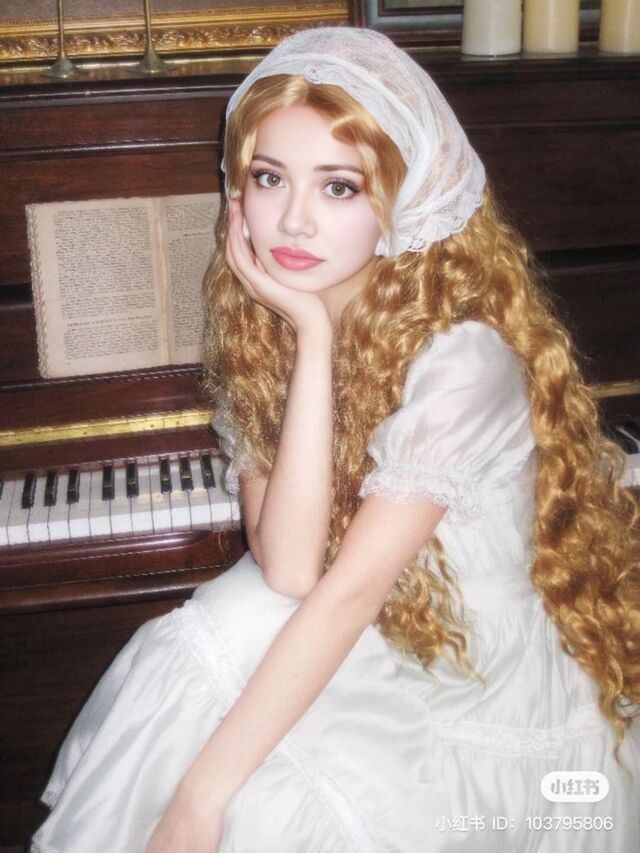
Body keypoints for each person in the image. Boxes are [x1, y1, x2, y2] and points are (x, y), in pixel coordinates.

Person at [31, 26, 639, 853]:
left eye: (339, 187)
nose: (293, 220)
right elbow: (288, 568)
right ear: (236, 191)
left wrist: (202, 797)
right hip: (387, 636)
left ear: (402, 201)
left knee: (233, 790)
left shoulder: (464, 356)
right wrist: (311, 339)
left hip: (478, 689)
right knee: (240, 615)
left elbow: (345, 592)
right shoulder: (265, 329)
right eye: (269, 177)